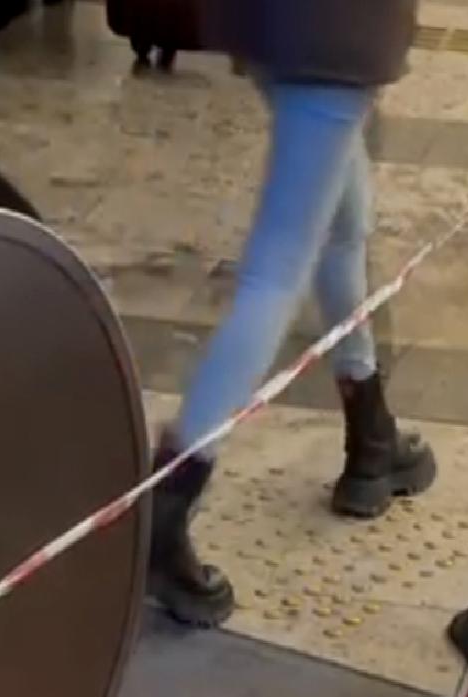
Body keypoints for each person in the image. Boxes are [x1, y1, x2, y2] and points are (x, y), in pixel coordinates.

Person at [149, 0, 437, 628]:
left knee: (342, 222)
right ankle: (165, 509)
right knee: (275, 275)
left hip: (269, 27)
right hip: (337, 35)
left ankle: (372, 435)